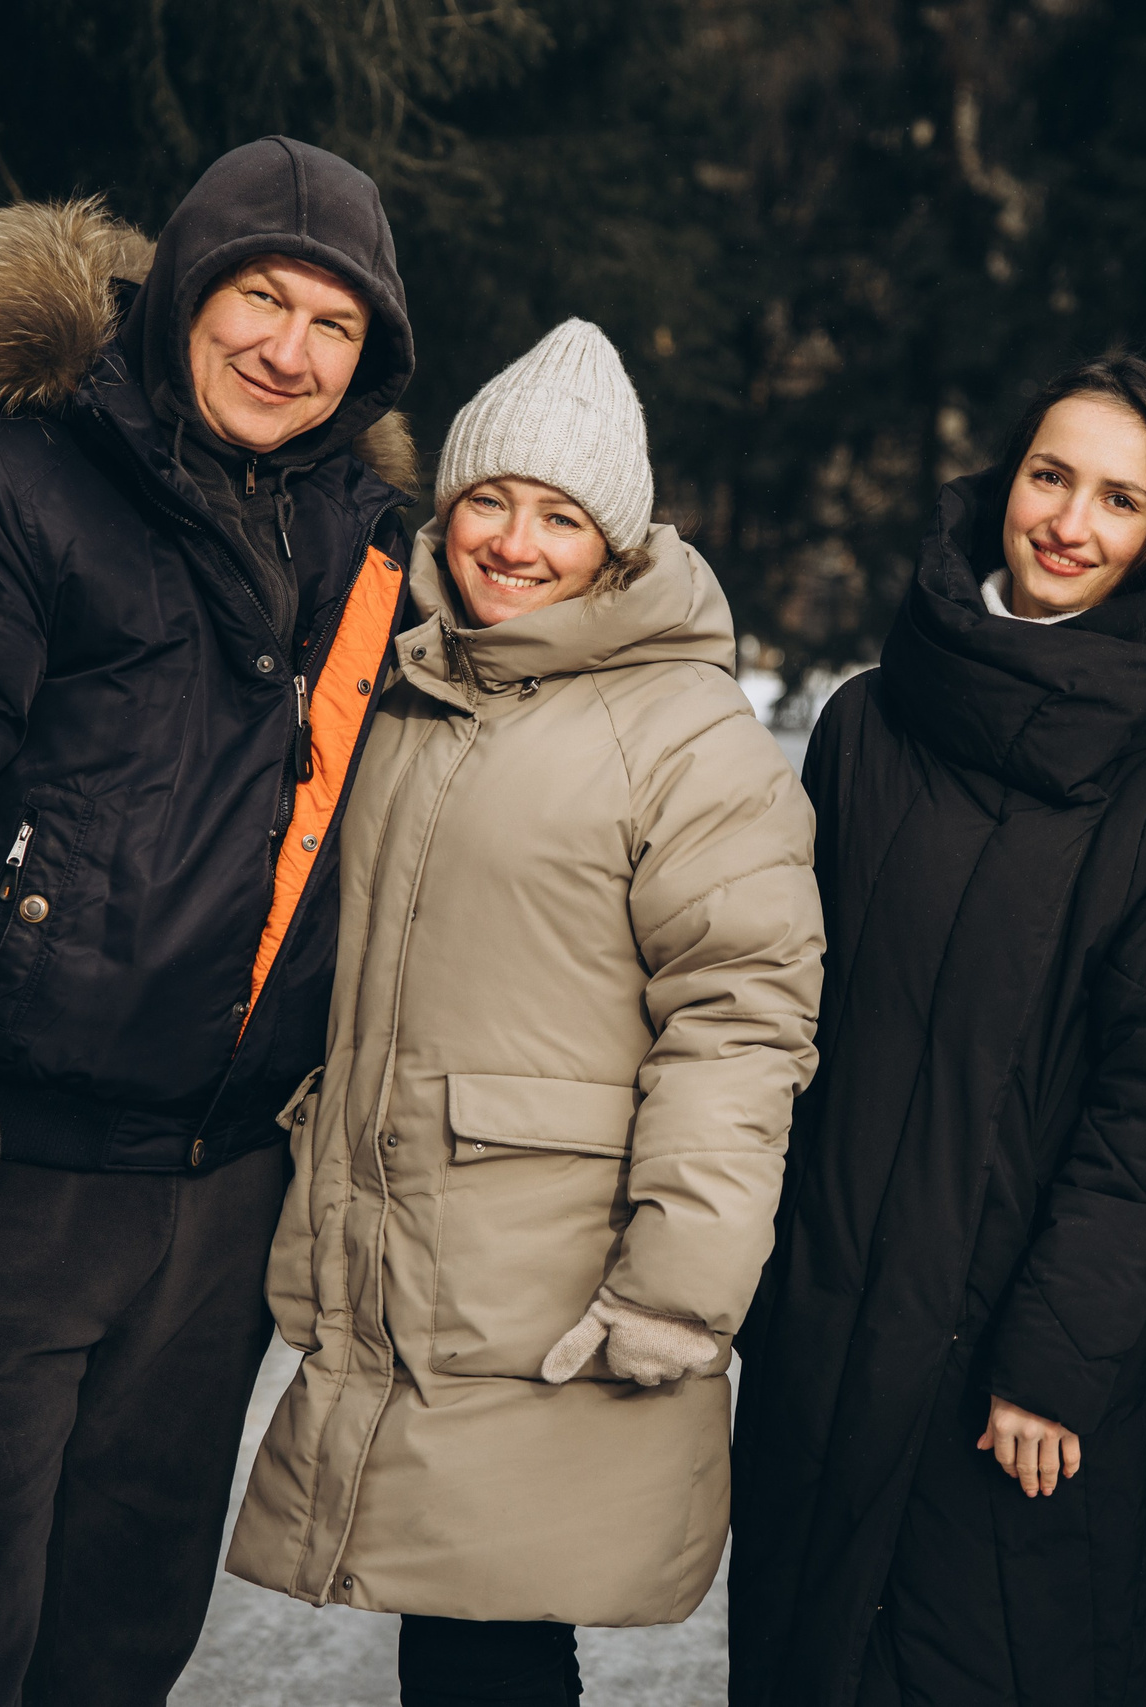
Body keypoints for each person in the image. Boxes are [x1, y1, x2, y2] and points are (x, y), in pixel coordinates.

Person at [0, 138, 419, 1705]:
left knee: (118, 1640)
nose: (288, 352)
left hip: (225, 1186)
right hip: (9, 1165)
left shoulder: (369, 546)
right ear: (182, 287)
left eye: (333, 327)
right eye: (260, 299)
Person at [225, 319, 824, 1707]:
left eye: (560, 516)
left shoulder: (686, 738)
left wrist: (677, 1284)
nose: (512, 540)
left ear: (615, 546)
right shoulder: (406, 689)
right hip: (408, 1256)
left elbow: (740, 1022)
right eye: (489, 498)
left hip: (550, 1280)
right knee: (453, 1633)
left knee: (491, 1643)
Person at [729, 356, 1146, 1706]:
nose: (1072, 521)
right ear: (1001, 483)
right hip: (830, 1334)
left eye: (1120, 500)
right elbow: (789, 1019)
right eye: (1051, 476)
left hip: (1024, 1383)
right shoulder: (864, 726)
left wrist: (1053, 1361)